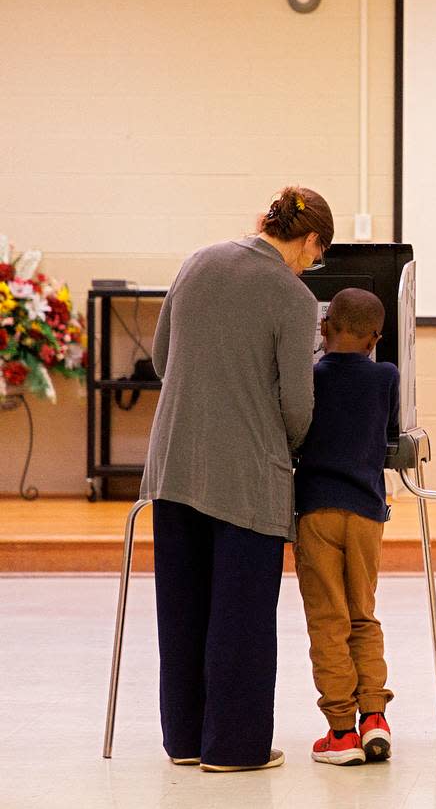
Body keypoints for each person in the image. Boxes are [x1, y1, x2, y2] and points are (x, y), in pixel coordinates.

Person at [141, 186, 332, 772]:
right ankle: (235, 748)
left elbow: (160, 356)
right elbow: (298, 404)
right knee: (242, 615)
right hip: (247, 475)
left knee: (181, 608)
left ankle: (186, 742)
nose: (310, 265)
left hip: (173, 463)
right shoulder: (294, 297)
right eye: (314, 256)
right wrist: (289, 444)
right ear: (308, 240)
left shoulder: (198, 261)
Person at [293, 288, 401, 766]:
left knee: (327, 621)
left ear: (323, 328)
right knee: (363, 614)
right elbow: (390, 433)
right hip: (367, 513)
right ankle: (375, 717)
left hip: (317, 511)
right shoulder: (387, 378)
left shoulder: (310, 378)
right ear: (376, 338)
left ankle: (340, 732)